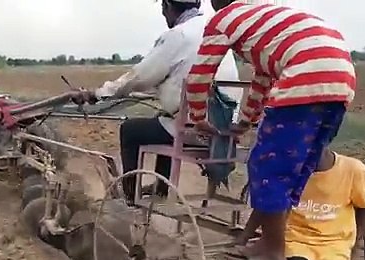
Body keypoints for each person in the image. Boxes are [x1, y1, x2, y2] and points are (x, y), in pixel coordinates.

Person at [185, 0, 357, 260]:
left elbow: (201, 73)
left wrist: (198, 116)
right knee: (296, 168)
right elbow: (262, 81)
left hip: (305, 75)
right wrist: (246, 121)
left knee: (266, 168)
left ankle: (274, 259)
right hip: (342, 80)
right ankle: (264, 241)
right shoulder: (265, 20)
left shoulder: (223, 19)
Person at [74, 0, 243, 204]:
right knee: (164, 120)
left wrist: (97, 93)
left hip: (196, 127)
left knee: (130, 130)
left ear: (167, 7)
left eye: (163, 9)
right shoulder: (214, 30)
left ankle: (130, 198)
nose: (164, 15)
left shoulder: (178, 35)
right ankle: (161, 188)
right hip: (224, 128)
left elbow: (139, 77)